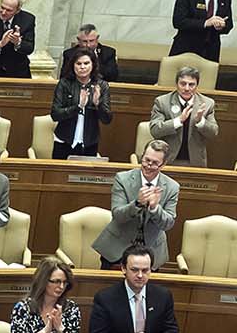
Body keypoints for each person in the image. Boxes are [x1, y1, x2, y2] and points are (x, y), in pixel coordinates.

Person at [91, 140, 180, 269]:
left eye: (155, 163)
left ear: (163, 164)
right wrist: (137, 203)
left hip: (151, 252)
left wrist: (155, 208)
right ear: (142, 156)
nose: (148, 166)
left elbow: (168, 223)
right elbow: (118, 215)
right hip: (117, 250)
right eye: (146, 160)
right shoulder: (122, 179)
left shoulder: (172, 187)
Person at [50, 47, 112, 158]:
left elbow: (107, 119)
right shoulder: (64, 84)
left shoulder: (102, 86)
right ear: (73, 65)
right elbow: (55, 114)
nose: (82, 67)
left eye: (86, 63)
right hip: (64, 140)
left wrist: (97, 104)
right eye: (78, 63)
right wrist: (78, 106)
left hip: (89, 143)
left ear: (93, 65)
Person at [148, 66, 217, 166]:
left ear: (197, 85)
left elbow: (213, 133)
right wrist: (178, 120)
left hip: (195, 161)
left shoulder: (207, 103)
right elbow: (155, 130)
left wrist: (200, 121)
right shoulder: (162, 102)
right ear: (177, 84)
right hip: (167, 160)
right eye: (183, 84)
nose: (187, 88)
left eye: (191, 84)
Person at [169, 0, 233, 62]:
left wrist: (222, 26)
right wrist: (205, 23)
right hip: (187, 48)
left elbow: (229, 24)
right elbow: (178, 22)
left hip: (211, 51)